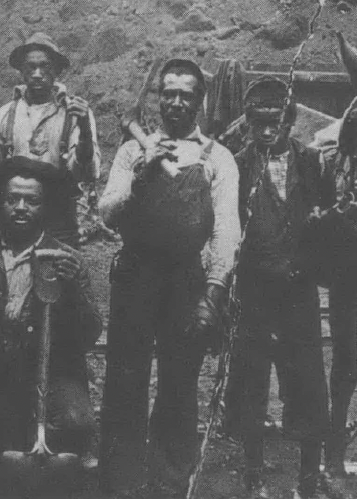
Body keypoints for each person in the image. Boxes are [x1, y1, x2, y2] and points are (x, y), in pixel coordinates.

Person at [98, 58, 241, 494]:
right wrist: (142, 171)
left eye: (186, 94)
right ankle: (119, 480)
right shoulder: (131, 150)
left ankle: (169, 481)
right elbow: (107, 213)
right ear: (158, 99)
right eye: (169, 93)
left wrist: (214, 291)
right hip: (135, 275)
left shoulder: (217, 157)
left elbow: (226, 229)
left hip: (185, 279)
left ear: (199, 101)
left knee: (179, 382)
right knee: (125, 377)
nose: (176, 102)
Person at [0, 157, 101, 497]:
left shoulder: (66, 260)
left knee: (76, 421)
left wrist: (71, 289)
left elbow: (88, 335)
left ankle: (55, 467)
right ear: (0, 203)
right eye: (12, 199)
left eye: (32, 201)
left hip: (52, 372)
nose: (20, 208)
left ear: (46, 208)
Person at [225, 79, 340, 499]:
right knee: (250, 381)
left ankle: (309, 474)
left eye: (276, 122)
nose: (268, 131)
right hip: (253, 292)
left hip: (298, 291)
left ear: (290, 122)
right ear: (249, 123)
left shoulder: (311, 163)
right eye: (259, 122)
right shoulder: (236, 165)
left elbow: (328, 217)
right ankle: (252, 471)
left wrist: (319, 225)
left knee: (307, 380)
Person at [0, 34, 99, 244]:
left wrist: (85, 130)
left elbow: (85, 172)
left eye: (45, 67)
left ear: (57, 70)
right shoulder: (2, 117)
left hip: (59, 224)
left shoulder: (76, 114)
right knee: (13, 275)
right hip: (14, 221)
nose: (38, 74)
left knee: (54, 274)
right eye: (30, 67)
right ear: (21, 72)